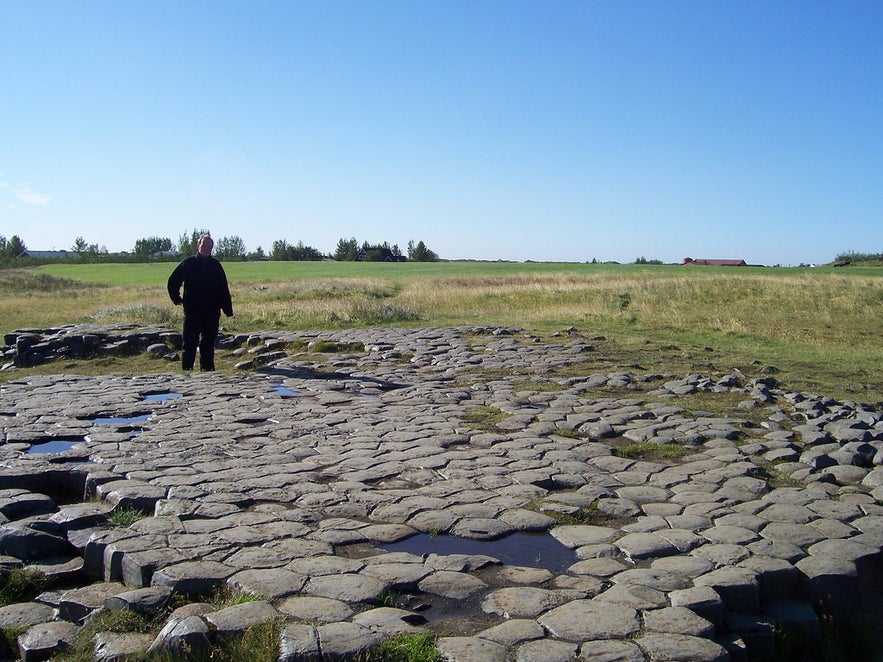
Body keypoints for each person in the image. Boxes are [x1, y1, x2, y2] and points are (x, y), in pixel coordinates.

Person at [167, 234, 233, 371]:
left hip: (212, 312)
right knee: (189, 343)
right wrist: (177, 299)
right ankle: (187, 371)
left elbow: (223, 288)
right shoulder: (188, 263)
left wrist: (227, 310)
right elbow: (173, 282)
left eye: (209, 246)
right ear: (198, 246)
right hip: (192, 311)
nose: (206, 248)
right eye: (204, 245)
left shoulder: (215, 265)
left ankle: (208, 371)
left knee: (208, 343)